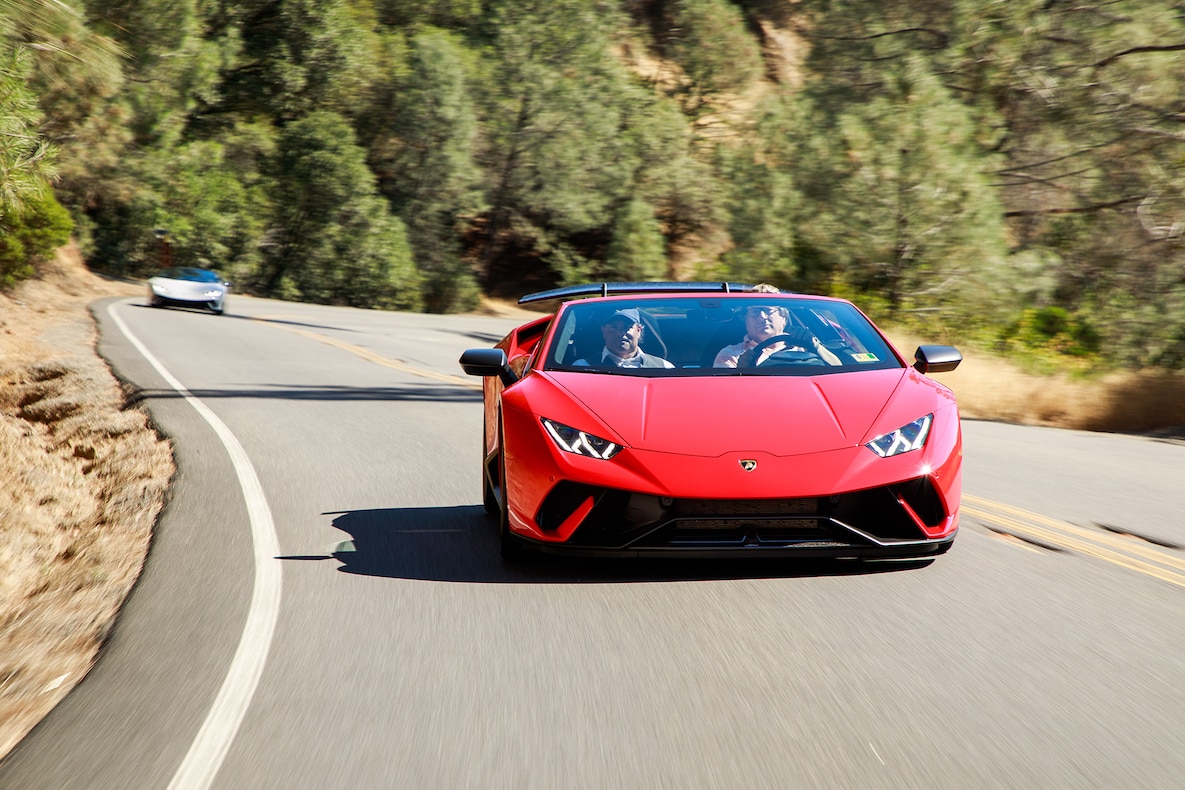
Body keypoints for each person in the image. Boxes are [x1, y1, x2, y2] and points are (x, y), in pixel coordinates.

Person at [713, 285, 841, 368]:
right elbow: (725, 392)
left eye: (768, 310)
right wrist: (742, 370)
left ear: (783, 318)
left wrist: (815, 346)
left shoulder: (805, 348)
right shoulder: (731, 354)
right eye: (754, 312)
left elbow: (839, 373)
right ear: (746, 322)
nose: (762, 316)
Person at [575, 307, 674, 368]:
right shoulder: (582, 368)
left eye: (627, 327)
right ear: (603, 331)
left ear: (638, 331)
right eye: (613, 327)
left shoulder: (664, 368)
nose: (620, 333)